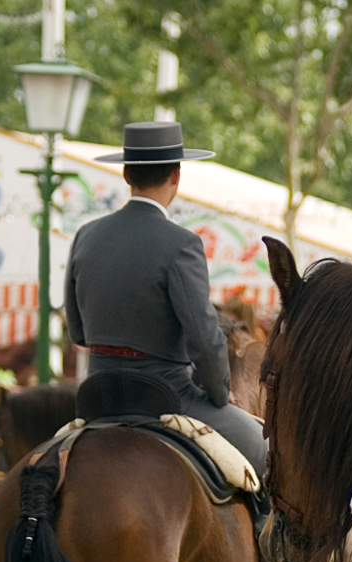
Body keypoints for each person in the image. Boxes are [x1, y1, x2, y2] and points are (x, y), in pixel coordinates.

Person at [65, 122, 268, 496]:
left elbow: (77, 331)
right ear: (177, 175)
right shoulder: (182, 244)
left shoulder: (86, 235)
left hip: (98, 395)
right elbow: (206, 341)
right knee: (268, 454)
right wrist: (220, 396)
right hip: (168, 395)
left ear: (126, 174)